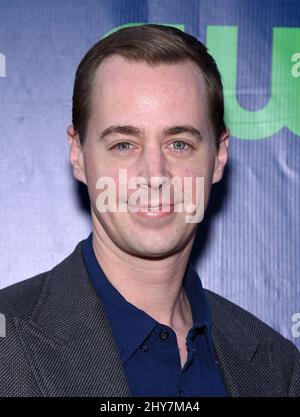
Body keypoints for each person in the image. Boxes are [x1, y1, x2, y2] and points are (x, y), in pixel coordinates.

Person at [0, 24, 299, 398]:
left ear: (219, 156)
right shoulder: (6, 344)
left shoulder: (277, 367)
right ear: (78, 154)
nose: (154, 176)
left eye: (179, 144)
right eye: (124, 145)